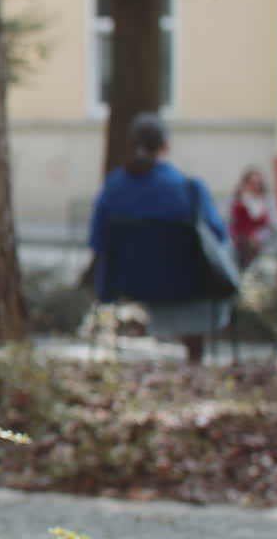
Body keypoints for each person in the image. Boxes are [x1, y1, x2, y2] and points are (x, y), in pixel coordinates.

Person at [87, 113, 231, 364]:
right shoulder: (189, 189)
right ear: (165, 145)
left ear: (130, 144)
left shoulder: (113, 187)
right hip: (186, 285)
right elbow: (217, 236)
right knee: (214, 262)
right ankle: (194, 356)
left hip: (126, 282)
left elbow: (97, 240)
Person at [228, 166, 277, 270]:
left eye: (258, 183)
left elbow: (276, 224)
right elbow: (231, 223)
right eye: (252, 183)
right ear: (245, 184)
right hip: (243, 243)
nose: (256, 187)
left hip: (265, 242)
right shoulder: (237, 200)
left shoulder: (267, 200)